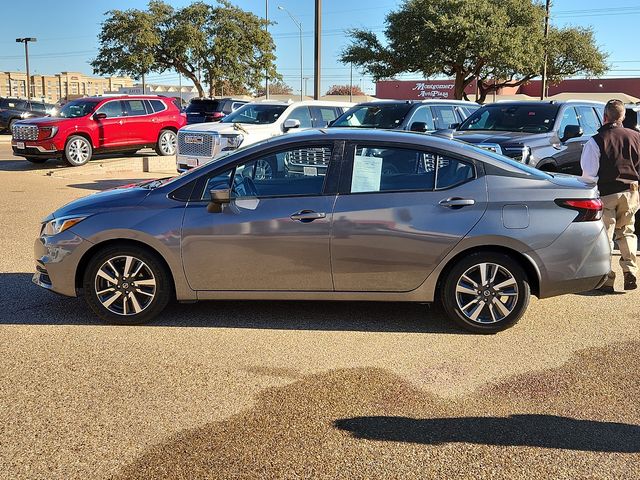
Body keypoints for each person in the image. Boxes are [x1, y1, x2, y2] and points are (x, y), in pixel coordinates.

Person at [581, 99, 640, 293]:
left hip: (605, 193)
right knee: (627, 232)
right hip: (631, 192)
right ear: (623, 116)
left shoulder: (596, 140)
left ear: (605, 116)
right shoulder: (636, 137)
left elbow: (589, 174)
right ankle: (630, 270)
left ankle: (606, 278)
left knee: (604, 236)